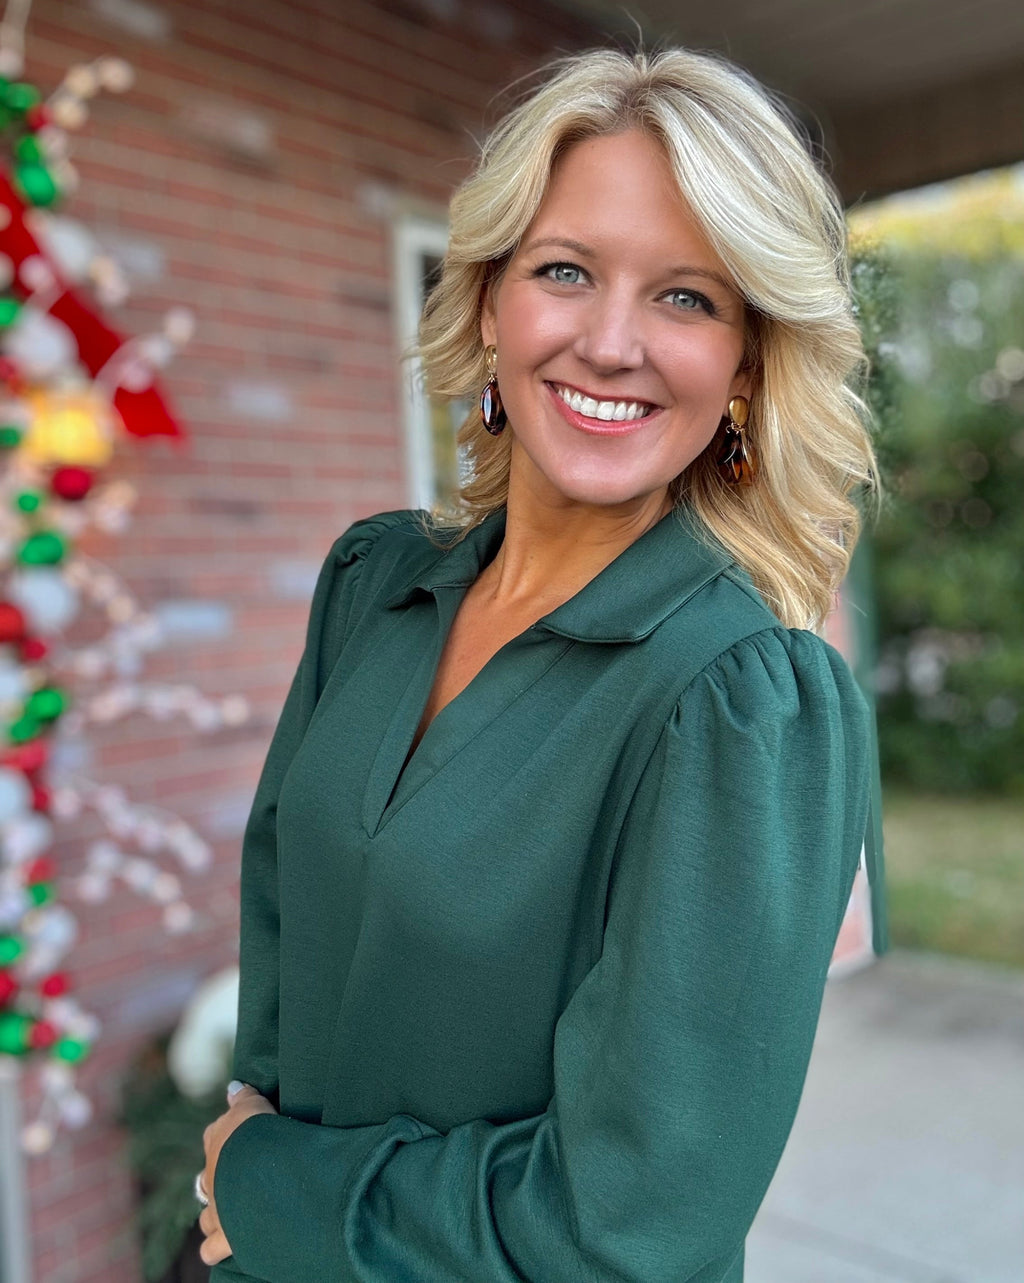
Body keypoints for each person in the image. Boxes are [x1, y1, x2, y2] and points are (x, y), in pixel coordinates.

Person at [196, 46, 886, 1283]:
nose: (610, 342)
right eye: (565, 272)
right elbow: (287, 966)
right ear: (487, 303)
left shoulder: (743, 699)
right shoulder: (374, 585)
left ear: (745, 365)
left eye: (687, 297)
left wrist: (272, 1188)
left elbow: (632, 1227)